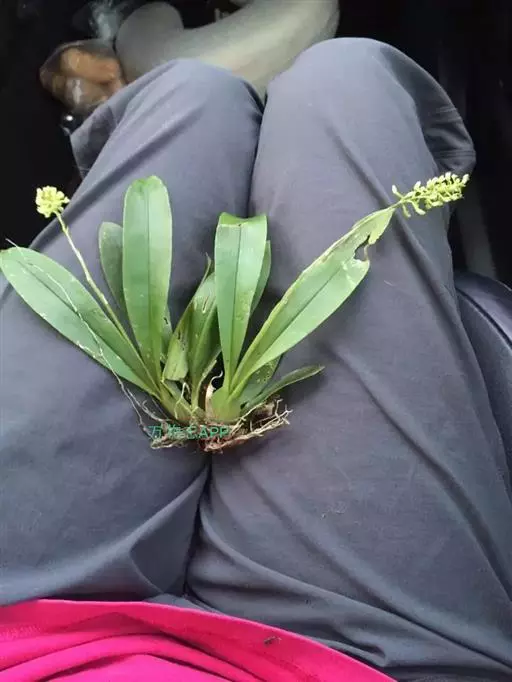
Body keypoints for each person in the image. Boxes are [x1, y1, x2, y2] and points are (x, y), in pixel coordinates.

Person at [1, 38, 511, 682]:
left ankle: (130, 121)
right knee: (345, 77)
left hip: (21, 623)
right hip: (354, 661)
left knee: (194, 93)